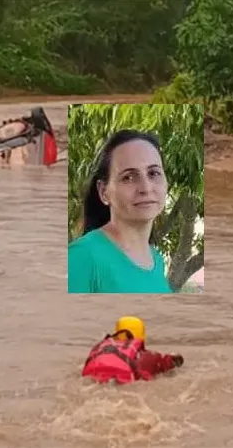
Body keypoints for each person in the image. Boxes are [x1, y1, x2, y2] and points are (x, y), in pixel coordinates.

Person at [68, 129, 172, 293]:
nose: (145, 188)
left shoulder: (156, 259)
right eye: (128, 177)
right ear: (104, 192)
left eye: (153, 173)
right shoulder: (80, 258)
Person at [82, 316, 184, 385]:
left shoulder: (102, 348)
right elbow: (167, 363)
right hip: (126, 380)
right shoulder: (147, 356)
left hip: (95, 375)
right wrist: (176, 359)